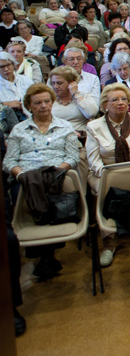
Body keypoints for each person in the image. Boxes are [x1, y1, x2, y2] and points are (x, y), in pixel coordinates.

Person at [3, 83, 80, 279]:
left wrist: (56, 172)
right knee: (23, 189)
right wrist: (21, 175)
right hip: (26, 176)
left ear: (52, 103)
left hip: (56, 175)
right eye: (37, 103)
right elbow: (9, 161)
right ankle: (45, 254)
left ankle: (44, 254)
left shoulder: (65, 127)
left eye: (47, 101)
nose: (43, 106)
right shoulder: (19, 130)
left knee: (52, 188)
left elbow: (72, 158)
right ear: (29, 106)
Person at [85, 83, 130, 266]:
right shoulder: (94, 127)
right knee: (107, 189)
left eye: (124, 99)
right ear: (105, 105)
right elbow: (94, 160)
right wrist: (111, 176)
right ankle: (109, 241)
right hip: (105, 174)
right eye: (114, 100)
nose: (120, 103)